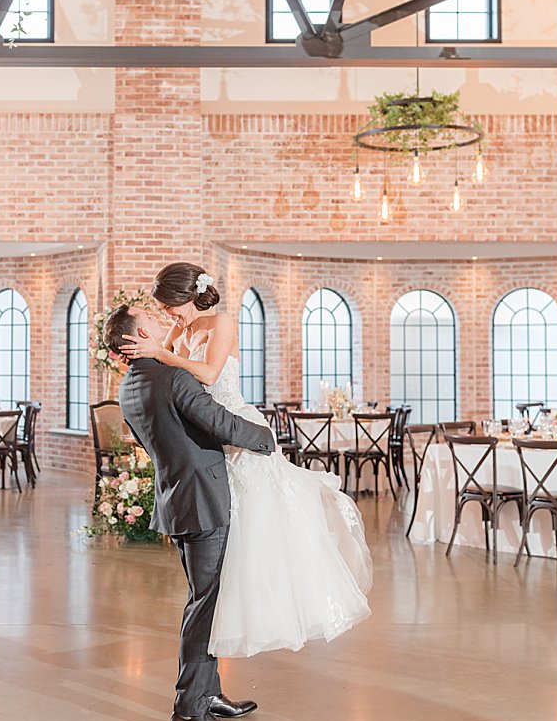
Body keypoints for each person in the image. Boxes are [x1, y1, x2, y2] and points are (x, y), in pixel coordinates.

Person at [121, 265, 375, 656]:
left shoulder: (220, 322)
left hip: (236, 431)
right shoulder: (178, 330)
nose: (168, 316)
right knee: (224, 555)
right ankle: (210, 682)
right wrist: (151, 354)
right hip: (211, 442)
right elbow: (164, 371)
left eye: (170, 307)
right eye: (162, 311)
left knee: (256, 536)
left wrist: (160, 352)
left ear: (188, 298)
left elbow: (207, 374)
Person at [105, 302, 276, 721]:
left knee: (206, 599)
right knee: (206, 605)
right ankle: (189, 713)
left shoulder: (129, 386)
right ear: (138, 337)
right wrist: (266, 436)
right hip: (203, 501)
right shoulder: (172, 376)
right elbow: (217, 422)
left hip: (177, 499)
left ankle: (209, 694)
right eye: (151, 319)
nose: (161, 321)